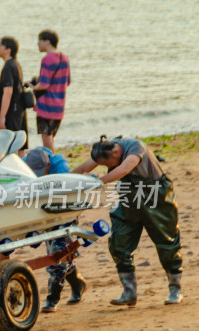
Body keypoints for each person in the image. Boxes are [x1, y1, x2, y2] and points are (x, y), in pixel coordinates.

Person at [72, 137, 183, 306]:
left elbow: (124, 169)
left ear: (116, 152)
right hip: (129, 198)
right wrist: (62, 182)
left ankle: (175, 289)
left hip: (156, 196)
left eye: (109, 164)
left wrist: (99, 182)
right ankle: (129, 292)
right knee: (119, 243)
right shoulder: (105, 148)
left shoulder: (135, 147)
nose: (108, 167)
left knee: (167, 242)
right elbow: (84, 167)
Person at [24, 147, 88, 312]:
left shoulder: (60, 166)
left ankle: (52, 299)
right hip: (44, 215)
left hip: (65, 213)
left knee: (57, 254)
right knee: (60, 252)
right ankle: (78, 283)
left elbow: (69, 195)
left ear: (48, 165)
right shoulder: (23, 165)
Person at [26, 30, 71, 151]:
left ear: (47, 42)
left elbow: (44, 84)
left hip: (46, 106)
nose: (37, 44)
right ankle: (52, 162)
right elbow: (68, 81)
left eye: (39, 40)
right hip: (59, 106)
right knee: (51, 137)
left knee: (46, 139)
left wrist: (33, 87)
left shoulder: (47, 59)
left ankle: (51, 164)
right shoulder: (64, 58)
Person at [0, 36, 28, 156]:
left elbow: (8, 91)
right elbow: (12, 86)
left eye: (0, 46)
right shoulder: (16, 64)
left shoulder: (8, 67)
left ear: (8, 49)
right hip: (19, 109)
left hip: (11, 111)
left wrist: (2, 117)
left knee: (10, 144)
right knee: (20, 144)